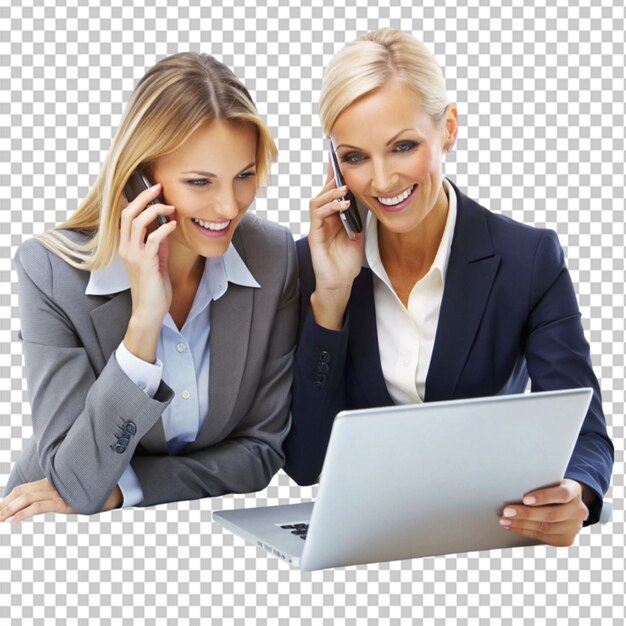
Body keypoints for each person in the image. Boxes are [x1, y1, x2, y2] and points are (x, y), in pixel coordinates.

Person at [283, 29, 613, 547]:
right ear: (333, 163)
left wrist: (577, 493)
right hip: (360, 541)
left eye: (404, 146)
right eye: (354, 157)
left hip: (484, 536)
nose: (382, 180)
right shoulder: (311, 264)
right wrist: (330, 298)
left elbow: (584, 429)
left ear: (449, 129)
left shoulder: (527, 261)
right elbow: (305, 463)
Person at [0, 52, 298, 521]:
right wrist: (143, 326)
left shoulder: (273, 256)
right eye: (200, 181)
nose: (228, 206)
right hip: (53, 530)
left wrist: (127, 489)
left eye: (244, 176)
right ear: (142, 178)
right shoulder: (52, 272)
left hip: (180, 532)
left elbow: (261, 452)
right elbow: (73, 483)